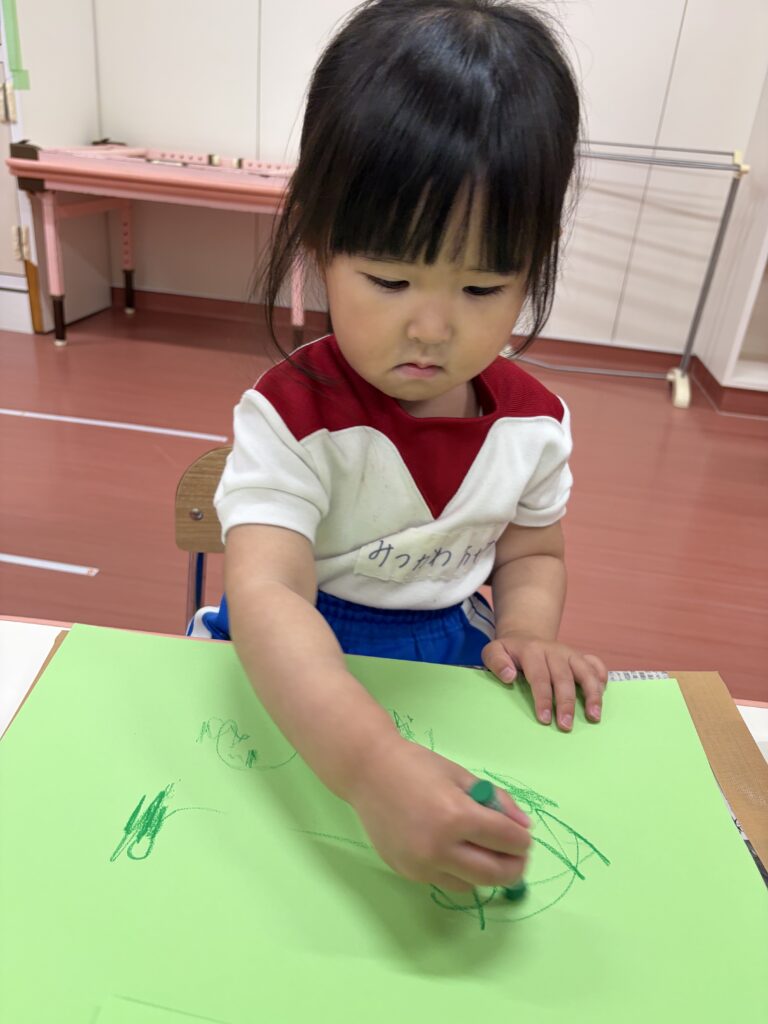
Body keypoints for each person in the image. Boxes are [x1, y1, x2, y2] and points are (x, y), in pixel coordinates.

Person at [190, 0, 607, 893]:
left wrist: (528, 632)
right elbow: (268, 595)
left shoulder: (532, 426)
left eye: (483, 287)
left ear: (533, 270)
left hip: (451, 655)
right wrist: (371, 767)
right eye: (389, 278)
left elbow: (533, 552)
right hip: (298, 653)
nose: (432, 328)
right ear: (319, 246)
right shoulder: (290, 416)